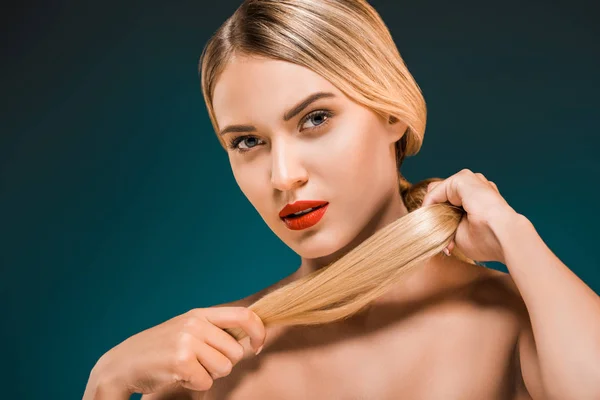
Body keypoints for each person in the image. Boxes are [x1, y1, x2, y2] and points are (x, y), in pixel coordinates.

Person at [82, 0, 600, 399]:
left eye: (314, 119)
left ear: (392, 112)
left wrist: (516, 238)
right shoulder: (212, 360)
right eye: (247, 142)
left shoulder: (519, 320)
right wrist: (106, 380)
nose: (284, 176)